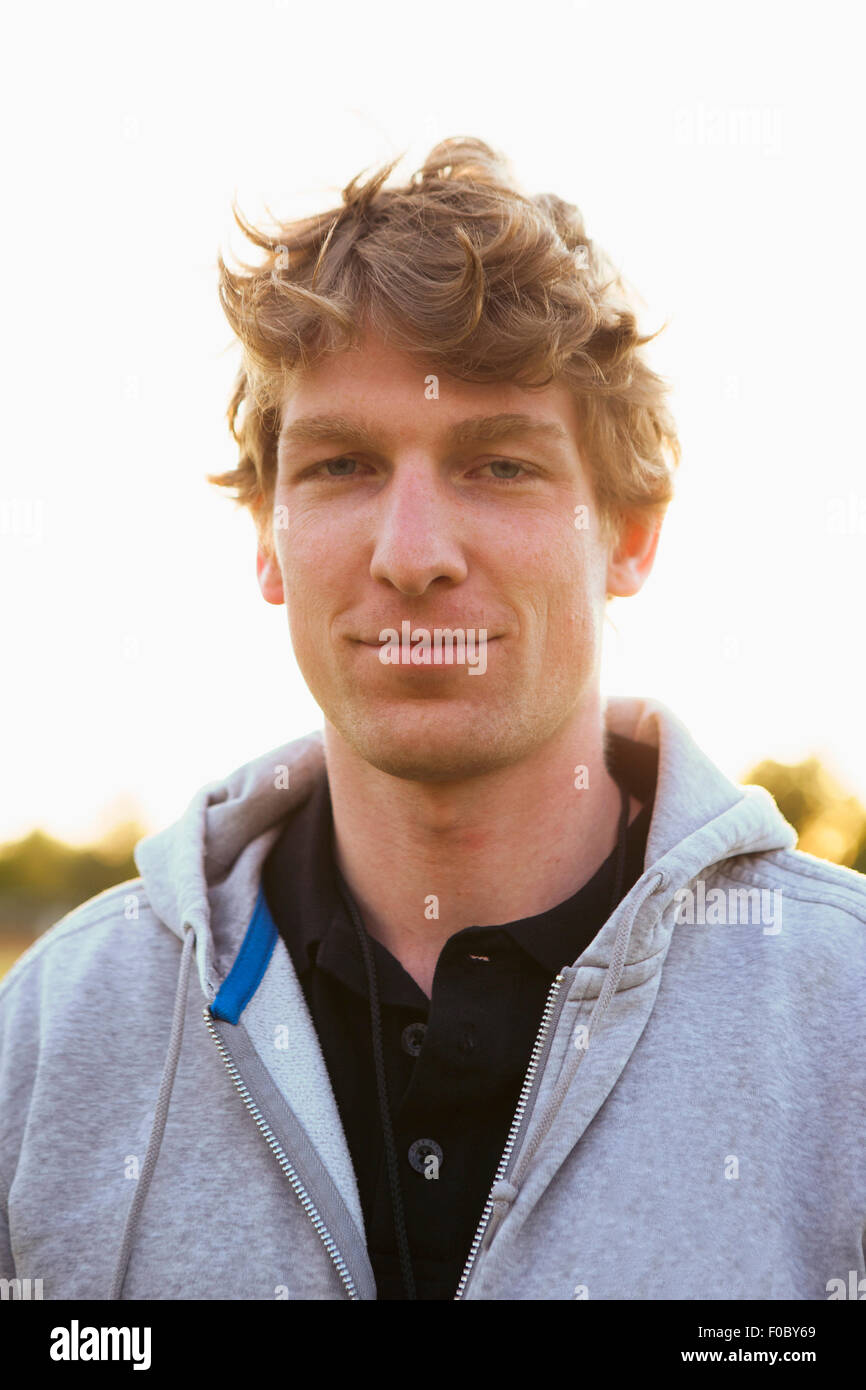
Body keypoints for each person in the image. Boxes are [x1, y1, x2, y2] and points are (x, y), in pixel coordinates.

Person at [1, 137, 864, 1302]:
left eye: (498, 466)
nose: (411, 556)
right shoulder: (50, 1036)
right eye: (342, 465)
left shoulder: (845, 1015)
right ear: (267, 537)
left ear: (628, 534)